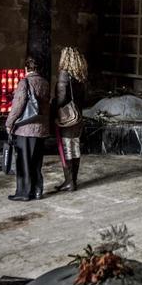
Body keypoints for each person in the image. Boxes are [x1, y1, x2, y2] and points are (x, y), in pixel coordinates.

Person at [4, 57, 50, 201]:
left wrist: (9, 123)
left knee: (24, 161)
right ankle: (37, 191)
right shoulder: (45, 83)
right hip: (41, 128)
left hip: (25, 129)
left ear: (26, 68)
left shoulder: (24, 82)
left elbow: (18, 106)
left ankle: (24, 193)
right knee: (36, 162)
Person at [52, 46, 87, 192]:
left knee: (66, 148)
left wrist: (53, 106)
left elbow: (61, 99)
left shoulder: (64, 74)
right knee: (75, 147)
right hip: (78, 115)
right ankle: (73, 181)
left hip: (67, 117)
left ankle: (69, 181)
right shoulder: (81, 75)